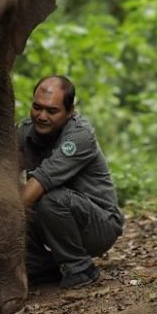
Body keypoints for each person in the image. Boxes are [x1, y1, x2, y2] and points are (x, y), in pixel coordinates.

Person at [17, 75, 124, 289]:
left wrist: (3, 220)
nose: (42, 116)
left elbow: (41, 181)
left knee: (45, 198)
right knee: (6, 197)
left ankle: (81, 268)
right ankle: (44, 267)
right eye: (37, 107)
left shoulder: (79, 136)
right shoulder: (25, 131)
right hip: (58, 219)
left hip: (98, 225)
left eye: (52, 111)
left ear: (70, 111)